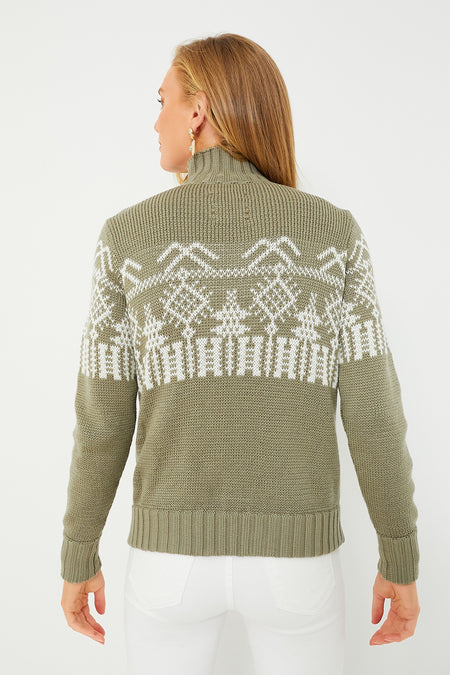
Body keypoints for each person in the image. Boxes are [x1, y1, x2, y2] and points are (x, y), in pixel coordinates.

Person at [60, 33, 420, 674]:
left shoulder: (127, 238)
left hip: (169, 564)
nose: (156, 120)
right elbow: (375, 413)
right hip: (297, 567)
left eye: (164, 101)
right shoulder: (333, 234)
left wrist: (78, 551)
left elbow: (101, 420)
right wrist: (399, 554)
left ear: (198, 111)